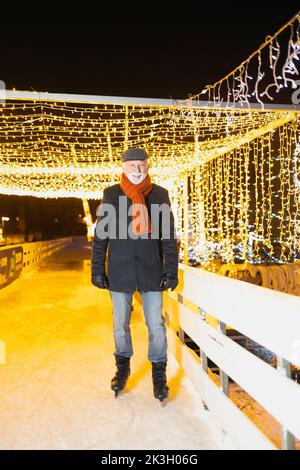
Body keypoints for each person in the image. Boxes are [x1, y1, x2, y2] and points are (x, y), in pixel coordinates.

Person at [91, 147, 178, 403]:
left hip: (152, 271)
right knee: (120, 325)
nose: (137, 170)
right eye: (132, 166)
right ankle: (122, 366)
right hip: (120, 269)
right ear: (123, 167)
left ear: (148, 165)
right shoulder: (112, 194)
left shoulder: (160, 194)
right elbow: (101, 236)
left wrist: (170, 271)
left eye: (141, 165)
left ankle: (158, 373)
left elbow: (168, 238)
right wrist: (97, 269)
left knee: (155, 325)